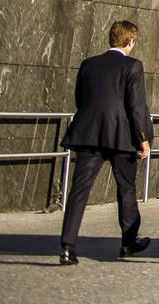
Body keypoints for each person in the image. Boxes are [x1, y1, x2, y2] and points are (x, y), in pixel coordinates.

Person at [59, 20, 153, 265]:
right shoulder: (133, 66)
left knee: (79, 191)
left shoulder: (88, 64)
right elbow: (136, 106)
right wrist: (143, 139)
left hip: (89, 134)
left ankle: (67, 247)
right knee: (126, 189)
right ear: (130, 41)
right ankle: (128, 243)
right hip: (121, 137)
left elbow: (80, 99)